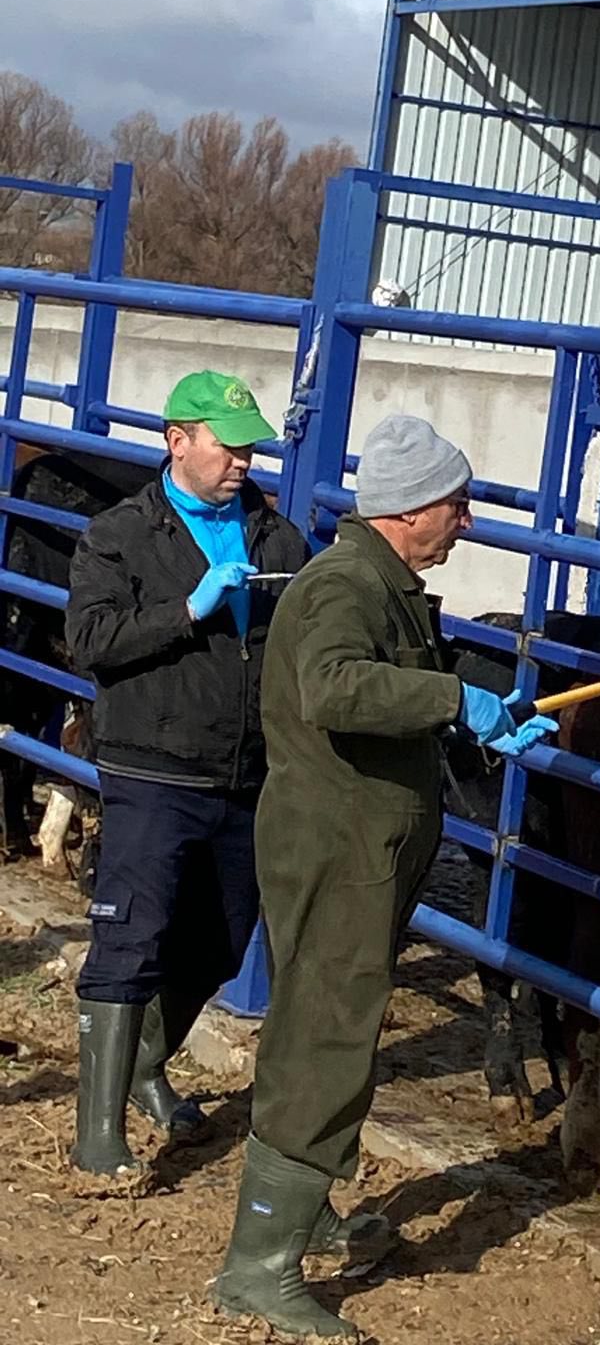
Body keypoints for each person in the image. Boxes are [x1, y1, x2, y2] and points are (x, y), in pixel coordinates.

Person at [212, 413, 557, 1339]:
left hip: (359, 844)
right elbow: (332, 686)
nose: (467, 521)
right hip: (341, 847)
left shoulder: (381, 583)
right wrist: (452, 696)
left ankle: (303, 1211)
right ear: (409, 511)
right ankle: (260, 1266)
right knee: (326, 1035)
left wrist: (465, 723)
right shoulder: (346, 586)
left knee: (323, 1025)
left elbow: (374, 702)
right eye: (457, 505)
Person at [65, 370, 309, 1177]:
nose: (242, 462)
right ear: (178, 441)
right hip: (151, 766)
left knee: (221, 940)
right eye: (227, 446)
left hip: (244, 773)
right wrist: (188, 610)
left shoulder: (277, 540)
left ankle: (145, 1064)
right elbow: (92, 641)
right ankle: (98, 1137)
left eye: (250, 449)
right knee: (131, 934)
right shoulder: (120, 535)